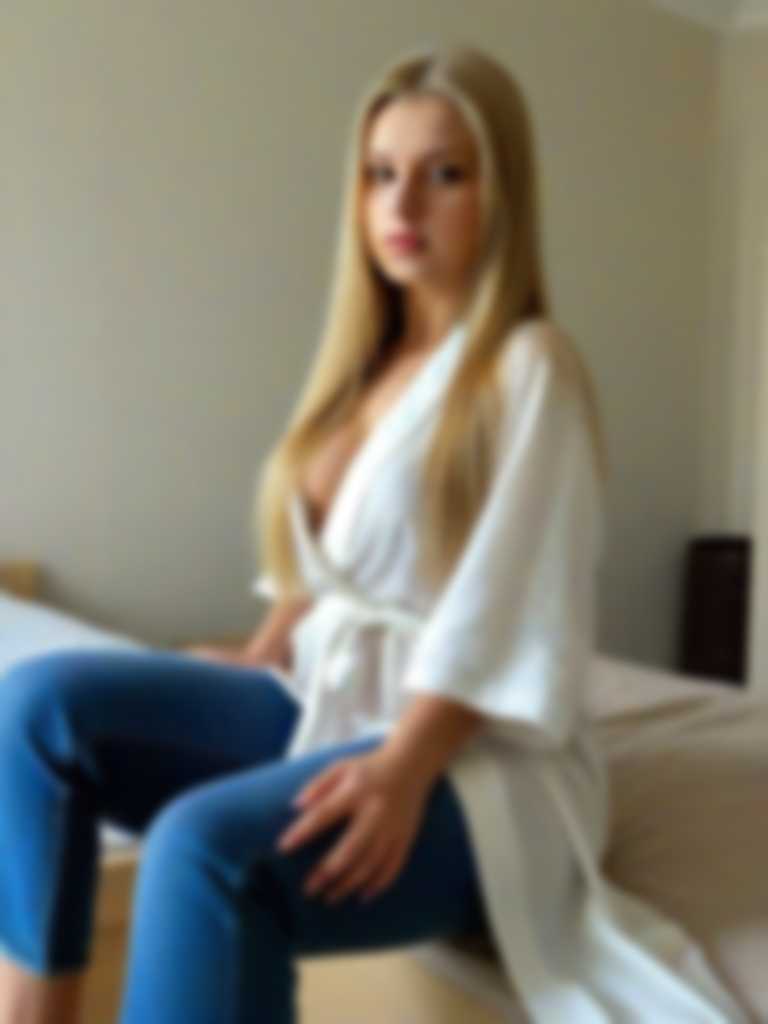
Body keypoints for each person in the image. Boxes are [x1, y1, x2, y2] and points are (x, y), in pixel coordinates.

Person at [0, 43, 749, 1024]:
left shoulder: (530, 367)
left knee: (201, 849)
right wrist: (263, 651)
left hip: (471, 762)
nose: (403, 204)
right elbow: (325, 572)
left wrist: (403, 767)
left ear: (500, 195)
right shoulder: (363, 370)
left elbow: (508, 604)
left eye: (445, 174)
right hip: (328, 700)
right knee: (36, 710)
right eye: (381, 174)